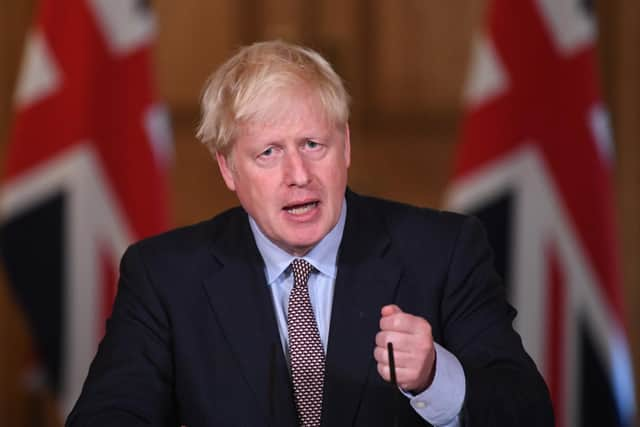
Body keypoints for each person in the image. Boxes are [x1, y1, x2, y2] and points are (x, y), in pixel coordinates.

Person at [67, 40, 553, 426]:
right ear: (228, 169)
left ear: (345, 147)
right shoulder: (165, 276)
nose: (298, 174)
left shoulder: (443, 251)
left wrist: (433, 378)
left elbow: (527, 412)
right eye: (268, 153)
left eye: (313, 144)